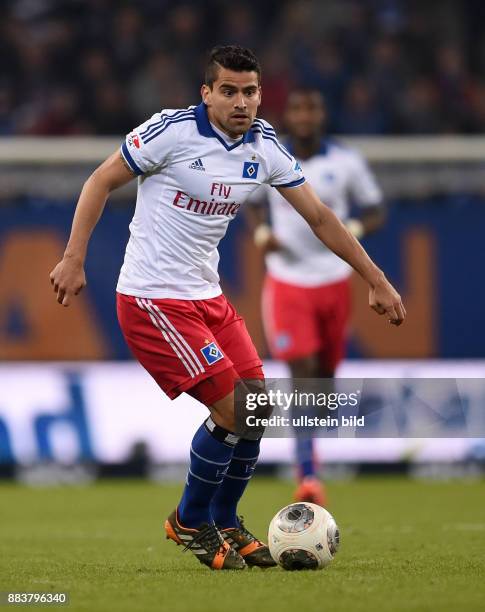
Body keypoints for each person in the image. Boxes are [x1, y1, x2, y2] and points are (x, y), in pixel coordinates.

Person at [49, 45, 405, 571]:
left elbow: (322, 218)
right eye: (230, 91)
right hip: (153, 298)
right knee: (234, 411)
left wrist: (375, 279)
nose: (242, 102)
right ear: (207, 93)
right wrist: (73, 258)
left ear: (262, 94)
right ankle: (190, 520)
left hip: (206, 296)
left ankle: (226, 520)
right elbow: (100, 180)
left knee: (256, 411)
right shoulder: (169, 132)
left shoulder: (264, 147)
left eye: (251, 92)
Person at [248, 88, 386, 506]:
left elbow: (375, 209)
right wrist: (261, 233)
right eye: (297, 109)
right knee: (302, 374)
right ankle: (308, 474)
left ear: (322, 114)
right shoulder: (268, 157)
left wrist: (353, 232)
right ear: (287, 116)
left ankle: (309, 450)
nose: (305, 116)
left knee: (322, 384)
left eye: (312, 108)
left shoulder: (346, 162)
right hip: (288, 283)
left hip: (333, 281)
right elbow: (253, 202)